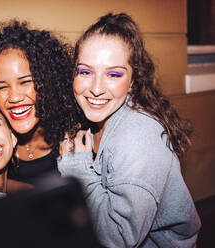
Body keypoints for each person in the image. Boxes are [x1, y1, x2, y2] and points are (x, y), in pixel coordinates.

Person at [58, 13, 201, 247]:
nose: (96, 89)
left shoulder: (138, 137)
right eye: (85, 71)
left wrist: (77, 168)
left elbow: (118, 238)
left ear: (133, 80)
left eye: (113, 75)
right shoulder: (93, 116)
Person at [0, 20, 79, 185]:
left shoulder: (75, 141)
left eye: (25, 82)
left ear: (47, 81)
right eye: (2, 87)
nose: (14, 97)